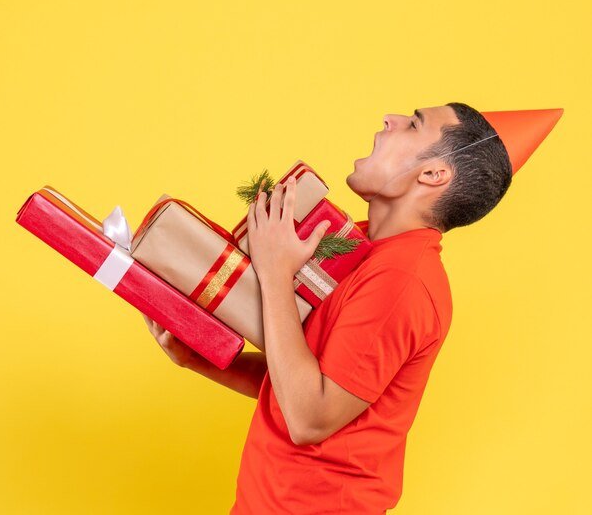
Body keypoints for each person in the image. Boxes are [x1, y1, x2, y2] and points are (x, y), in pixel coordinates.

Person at [142, 102, 562, 513]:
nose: (390, 118)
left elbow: (310, 417)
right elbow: (298, 383)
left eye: (414, 124)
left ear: (433, 174)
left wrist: (275, 272)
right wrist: (197, 359)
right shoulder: (362, 249)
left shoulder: (402, 281)